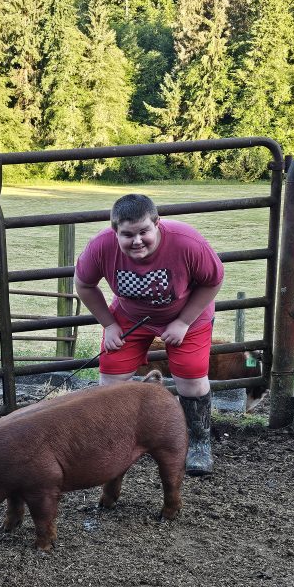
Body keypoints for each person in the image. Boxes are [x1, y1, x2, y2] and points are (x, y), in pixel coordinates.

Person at [74, 193, 224, 476]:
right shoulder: (100, 248)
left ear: (157, 223)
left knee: (191, 377)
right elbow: (84, 285)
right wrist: (108, 324)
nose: (137, 240)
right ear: (114, 231)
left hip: (187, 315)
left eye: (144, 231)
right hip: (130, 317)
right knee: (110, 376)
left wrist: (183, 322)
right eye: (128, 234)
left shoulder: (186, 242)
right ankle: (114, 442)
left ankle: (199, 442)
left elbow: (213, 281)